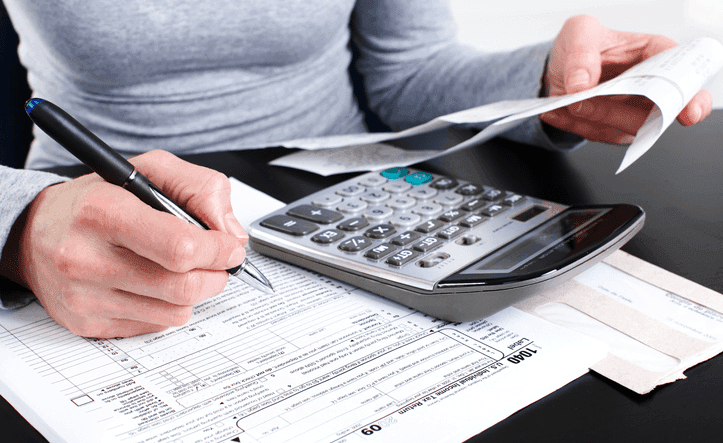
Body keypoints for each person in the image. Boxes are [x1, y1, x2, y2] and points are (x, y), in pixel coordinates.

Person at [0, 1, 712, 339]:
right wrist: (19, 222)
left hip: (345, 202)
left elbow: (405, 71)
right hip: (88, 222)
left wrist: (550, 85)